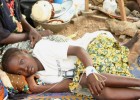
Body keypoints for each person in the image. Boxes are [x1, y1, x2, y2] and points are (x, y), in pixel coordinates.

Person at [2, 31, 140, 100]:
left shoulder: (42, 48)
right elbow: (69, 84)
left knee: (85, 79)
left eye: (21, 62)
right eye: (19, 72)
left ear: (25, 52)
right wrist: (37, 88)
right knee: (99, 93)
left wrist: (90, 71)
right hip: (89, 71)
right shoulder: (41, 76)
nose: (24, 69)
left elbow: (78, 50)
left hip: (91, 48)